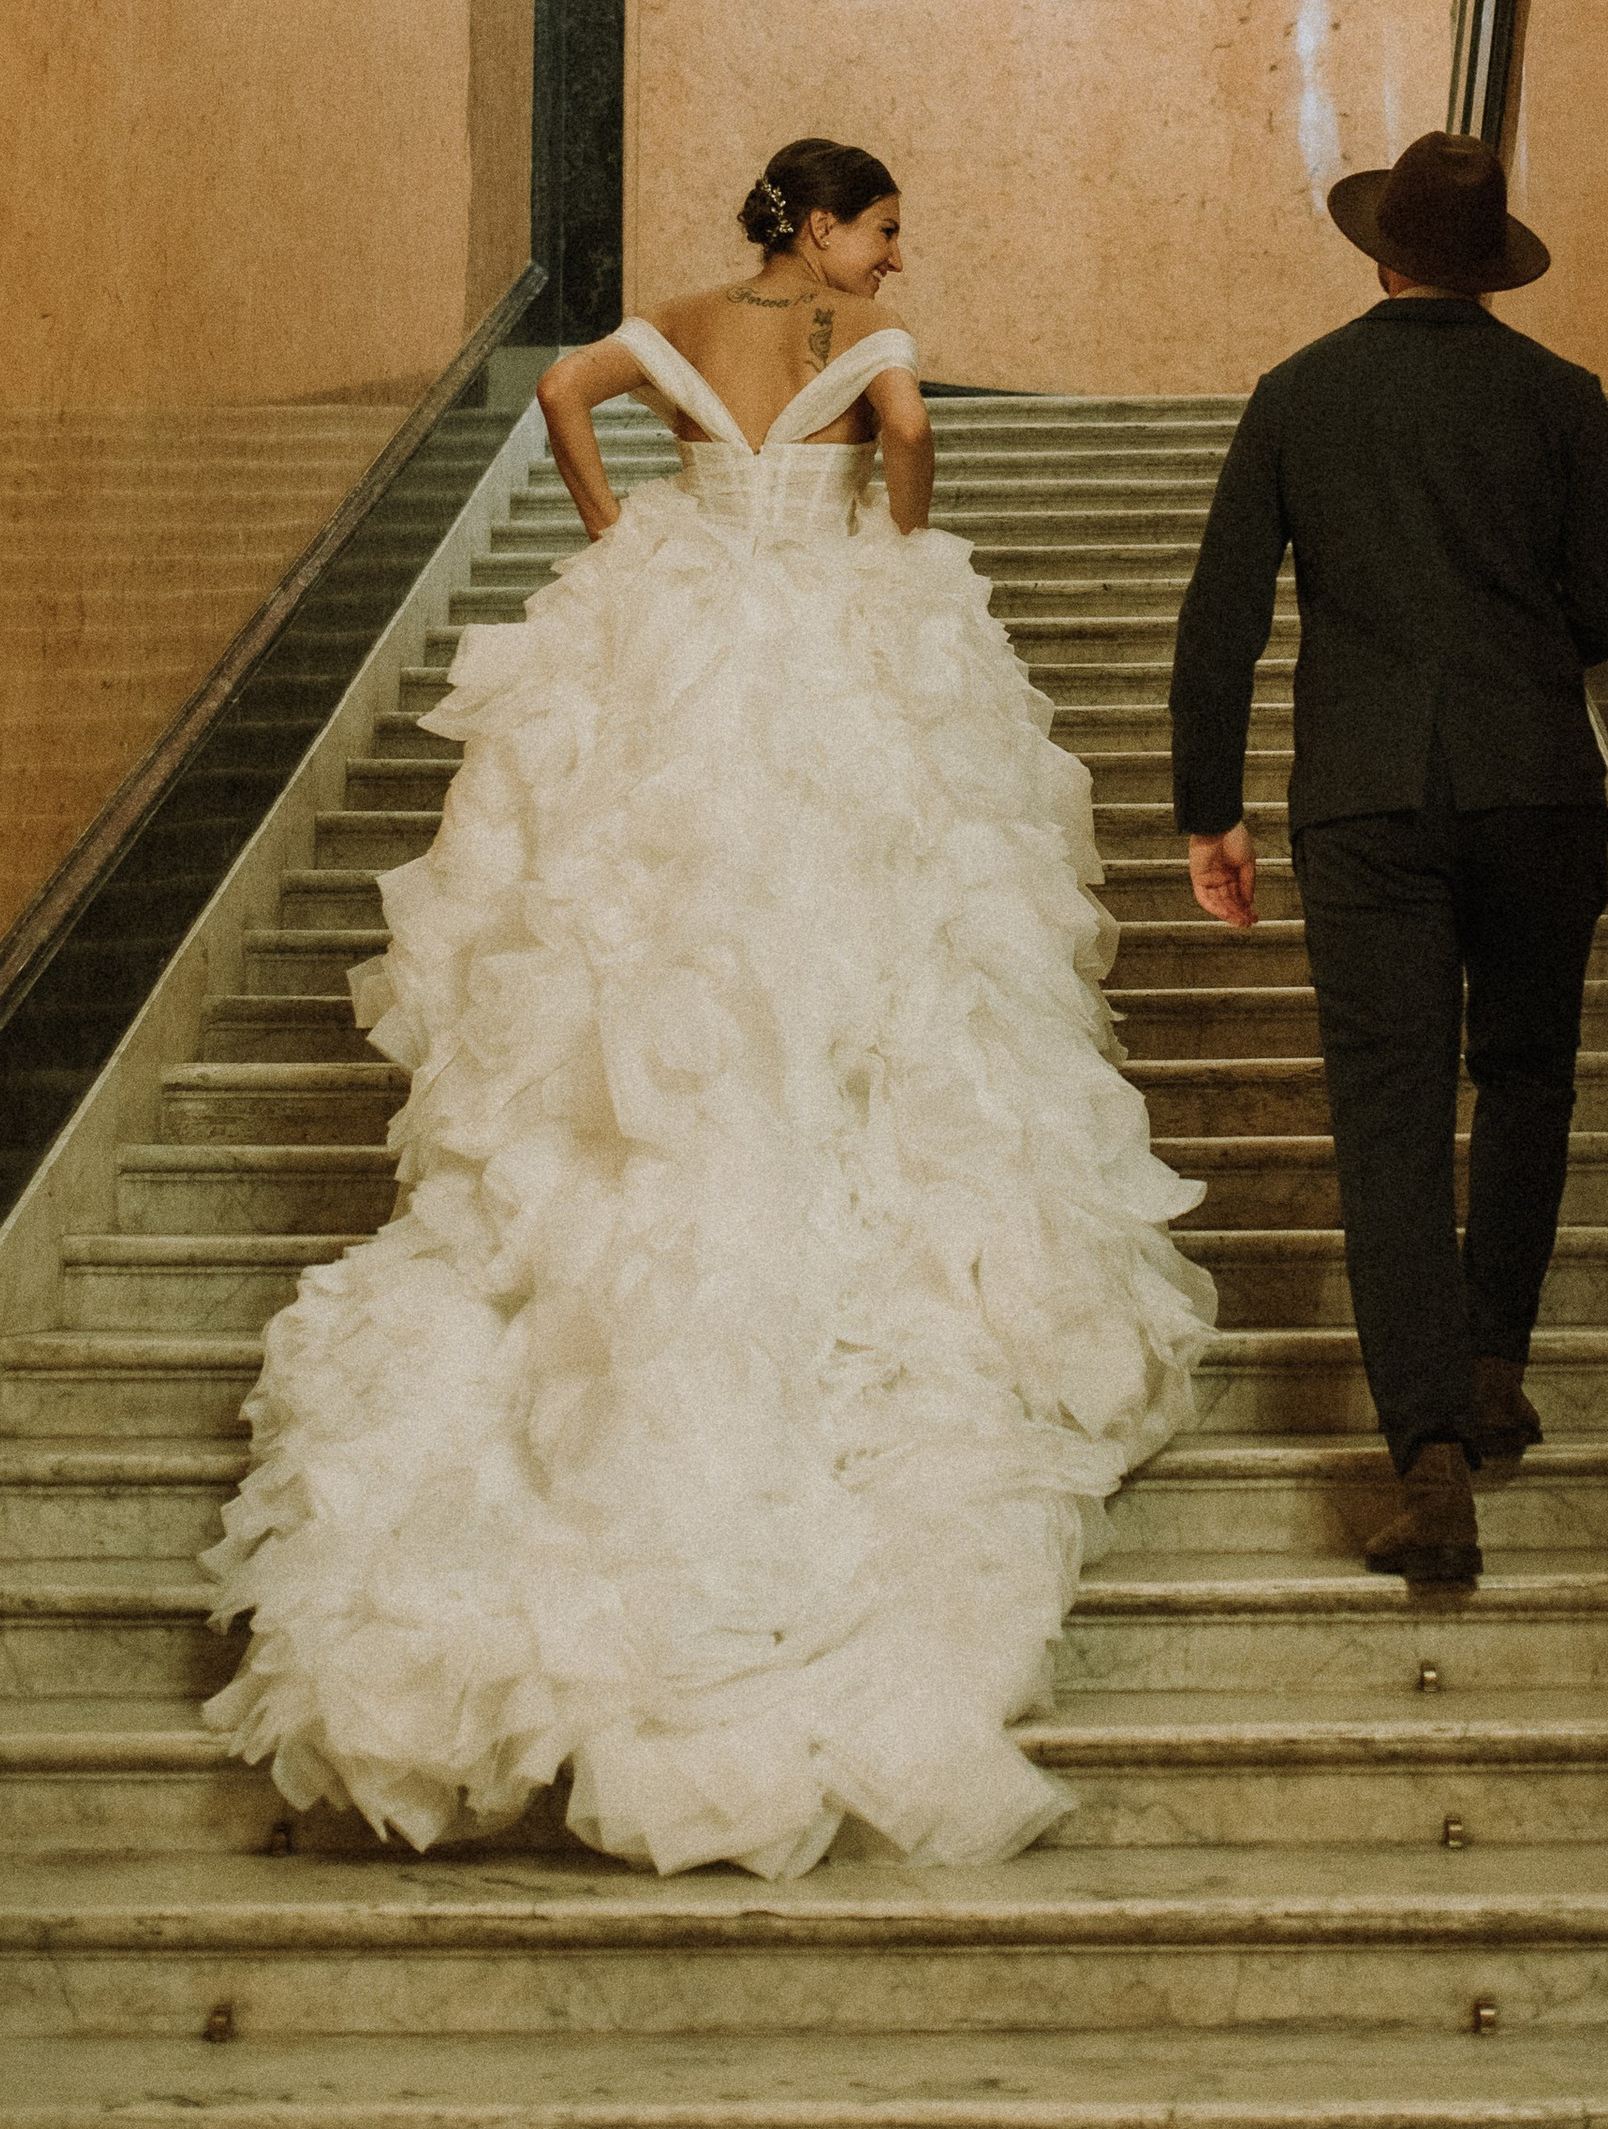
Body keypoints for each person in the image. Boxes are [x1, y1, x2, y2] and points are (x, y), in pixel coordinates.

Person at [205, 139, 1213, 1876]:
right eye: (886, 225)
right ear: (820, 225)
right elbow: (902, 445)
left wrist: (623, 522)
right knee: (862, 923)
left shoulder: (668, 322)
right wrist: (894, 546)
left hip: (679, 631)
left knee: (664, 908)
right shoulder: (870, 352)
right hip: (820, 625)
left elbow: (569, 400)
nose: (897, 256)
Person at [1169, 129, 1608, 1589]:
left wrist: (1213, 810)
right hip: (1534, 794)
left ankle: (1430, 1457)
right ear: (1486, 264)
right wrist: (1513, 658)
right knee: (1525, 1075)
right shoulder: (1561, 400)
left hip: (1367, 802)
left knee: (1386, 1117)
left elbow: (1221, 621)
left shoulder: (1298, 398)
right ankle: (1496, 1361)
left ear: (1380, 253)